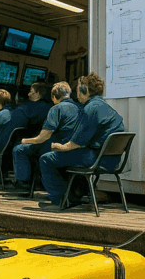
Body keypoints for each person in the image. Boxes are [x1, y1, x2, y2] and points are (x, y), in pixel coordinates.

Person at [38, 73, 124, 211]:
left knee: (46, 159)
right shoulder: (105, 107)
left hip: (96, 159)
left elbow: (75, 143)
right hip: (111, 160)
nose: (76, 92)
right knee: (68, 156)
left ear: (85, 90)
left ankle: (60, 200)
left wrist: (59, 146)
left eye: (78, 88)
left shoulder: (91, 108)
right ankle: (72, 195)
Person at [9, 81, 79, 196]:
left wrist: (25, 140)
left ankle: (23, 185)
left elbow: (43, 138)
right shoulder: (79, 108)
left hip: (54, 146)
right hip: (72, 148)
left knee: (19, 149)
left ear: (54, 96)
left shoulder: (56, 109)